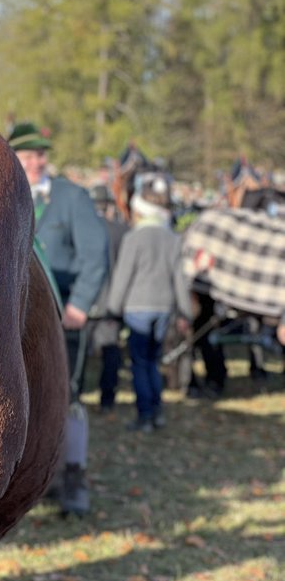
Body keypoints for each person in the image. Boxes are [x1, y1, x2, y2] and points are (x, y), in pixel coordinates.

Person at [8, 122, 108, 514]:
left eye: (39, 155)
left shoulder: (72, 197)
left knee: (69, 395)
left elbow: (95, 253)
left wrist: (80, 304)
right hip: (19, 321)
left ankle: (75, 477)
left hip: (66, 316)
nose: (33, 163)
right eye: (26, 155)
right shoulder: (7, 196)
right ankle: (40, 477)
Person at [106, 176, 191, 432]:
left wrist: (113, 308)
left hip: (137, 308)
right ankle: (158, 411)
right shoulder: (172, 239)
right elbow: (180, 279)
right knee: (154, 361)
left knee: (140, 363)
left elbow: (123, 277)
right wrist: (184, 311)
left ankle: (145, 415)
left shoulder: (134, 239)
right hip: (164, 307)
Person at [88, 184, 128, 411]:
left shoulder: (82, 229)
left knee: (78, 352)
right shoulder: (121, 230)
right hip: (112, 299)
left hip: (85, 299)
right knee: (110, 351)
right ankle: (107, 397)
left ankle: (76, 395)